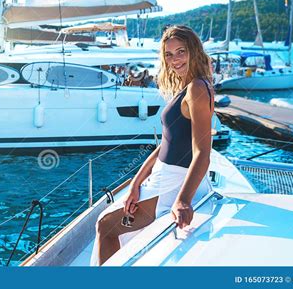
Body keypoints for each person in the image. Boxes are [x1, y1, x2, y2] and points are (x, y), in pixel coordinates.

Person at [91, 25, 214, 265]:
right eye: (169, 54)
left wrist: (183, 200)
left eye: (181, 51)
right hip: (161, 177)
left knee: (106, 227)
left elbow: (202, 152)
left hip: (173, 181)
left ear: (194, 51)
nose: (175, 59)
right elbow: (166, 142)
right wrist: (136, 183)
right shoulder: (188, 87)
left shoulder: (198, 88)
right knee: (110, 227)